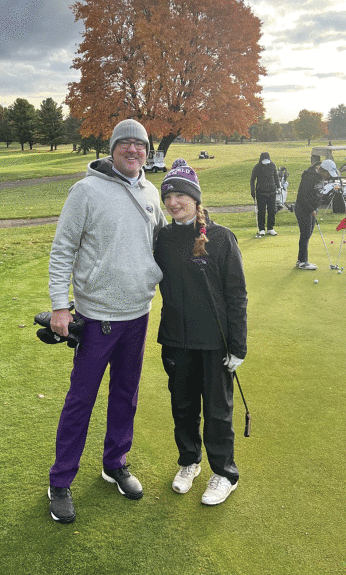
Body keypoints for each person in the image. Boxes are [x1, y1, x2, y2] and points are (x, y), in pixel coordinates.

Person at [47, 119, 166, 523]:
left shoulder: (150, 192)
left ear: (147, 152)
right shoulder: (85, 191)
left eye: (140, 145)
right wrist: (60, 306)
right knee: (81, 399)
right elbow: (62, 249)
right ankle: (60, 481)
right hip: (98, 316)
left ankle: (114, 462)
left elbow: (163, 246)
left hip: (139, 313)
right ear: (113, 148)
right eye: (126, 144)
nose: (134, 150)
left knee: (126, 394)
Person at [154, 159, 247, 506]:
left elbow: (237, 295)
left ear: (194, 197)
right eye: (168, 196)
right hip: (176, 339)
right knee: (183, 407)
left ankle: (224, 473)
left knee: (218, 412)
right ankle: (189, 462)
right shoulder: (163, 238)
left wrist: (238, 346)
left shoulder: (221, 238)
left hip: (215, 343)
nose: (173, 202)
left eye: (180, 194)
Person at [294, 158, 339, 270]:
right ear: (322, 170)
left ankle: (301, 260)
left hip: (312, 209)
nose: (328, 176)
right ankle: (302, 262)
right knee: (305, 234)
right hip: (303, 208)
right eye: (328, 174)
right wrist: (311, 210)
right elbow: (302, 197)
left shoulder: (320, 176)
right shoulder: (308, 177)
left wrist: (332, 188)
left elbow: (319, 193)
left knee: (308, 234)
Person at [250, 152, 280, 236]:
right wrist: (252, 191)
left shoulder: (272, 165)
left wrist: (278, 187)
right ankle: (261, 229)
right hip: (261, 192)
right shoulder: (257, 167)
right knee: (261, 211)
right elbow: (252, 180)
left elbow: (275, 176)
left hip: (272, 191)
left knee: (272, 210)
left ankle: (270, 228)